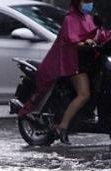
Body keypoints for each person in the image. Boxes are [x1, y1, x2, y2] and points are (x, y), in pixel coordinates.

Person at [21, 0, 109, 144]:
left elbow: (97, 34)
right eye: (85, 1)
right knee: (84, 94)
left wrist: (98, 40)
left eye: (90, 1)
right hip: (74, 63)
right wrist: (85, 43)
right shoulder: (70, 19)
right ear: (77, 2)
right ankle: (62, 126)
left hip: (88, 62)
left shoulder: (88, 18)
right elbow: (72, 40)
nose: (89, 4)